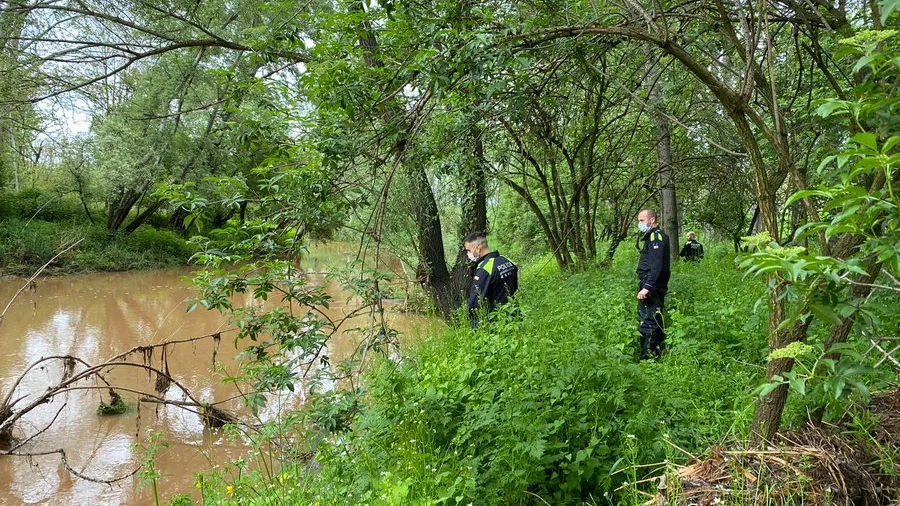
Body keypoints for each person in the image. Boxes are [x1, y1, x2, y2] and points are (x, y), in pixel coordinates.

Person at [635, 209, 670, 360]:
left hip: (652, 284)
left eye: (642, 220)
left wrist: (647, 287)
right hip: (651, 282)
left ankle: (648, 358)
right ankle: (657, 352)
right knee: (655, 318)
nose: (639, 224)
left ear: (652, 220)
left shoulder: (656, 236)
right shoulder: (652, 236)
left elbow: (657, 265)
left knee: (648, 321)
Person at [463, 231, 518, 326]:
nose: (468, 254)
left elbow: (475, 301)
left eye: (468, 250)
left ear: (478, 249)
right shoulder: (507, 261)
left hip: (497, 322)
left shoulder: (485, 269)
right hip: (514, 316)